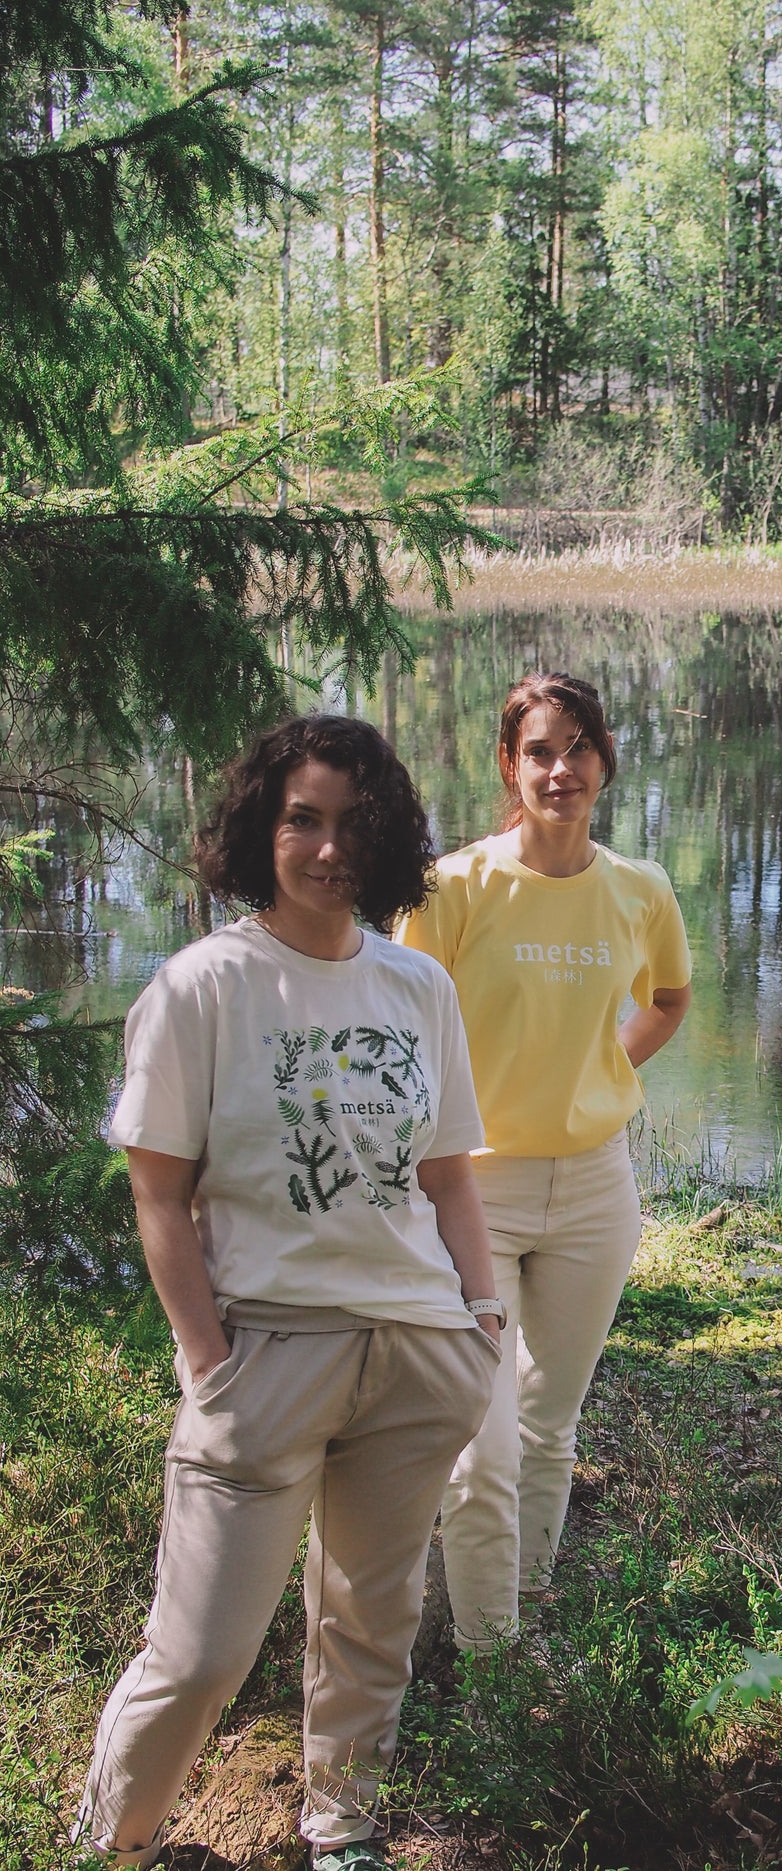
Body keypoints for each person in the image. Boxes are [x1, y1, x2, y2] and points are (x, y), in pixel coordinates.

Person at [76, 715, 506, 1871]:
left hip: (417, 1354)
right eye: (301, 819)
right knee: (204, 1651)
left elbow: (448, 1174)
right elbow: (161, 1197)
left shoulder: (417, 984)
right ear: (261, 828)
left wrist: (482, 1318)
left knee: (373, 1621)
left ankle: (342, 1825)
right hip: (265, 1355)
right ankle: (111, 1839)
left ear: (388, 837)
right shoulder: (204, 986)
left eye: (352, 823)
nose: (327, 847)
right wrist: (209, 1359)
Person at [395, 670, 691, 1652]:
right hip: (474, 1188)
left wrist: (608, 1062)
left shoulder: (638, 889)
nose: (559, 770)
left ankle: (512, 1619)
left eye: (577, 748)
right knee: (478, 1453)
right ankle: (493, 1673)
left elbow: (667, 999)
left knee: (546, 1427)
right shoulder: (453, 889)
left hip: (596, 1191)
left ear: (603, 760)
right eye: (538, 752)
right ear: (508, 766)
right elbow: (401, 1030)